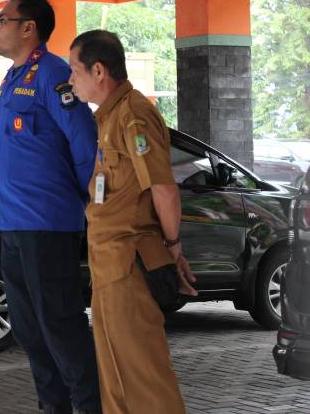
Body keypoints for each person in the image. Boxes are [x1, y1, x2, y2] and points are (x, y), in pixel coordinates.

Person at [67, 29, 196, 414]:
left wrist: (173, 247)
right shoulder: (108, 117)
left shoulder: (133, 114)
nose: (71, 80)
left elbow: (164, 189)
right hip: (108, 268)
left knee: (145, 378)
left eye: (75, 70)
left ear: (99, 71)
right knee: (116, 380)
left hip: (130, 266)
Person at [0, 0, 101, 414]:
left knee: (60, 324)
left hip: (48, 223)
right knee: (29, 330)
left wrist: (87, 203)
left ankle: (89, 406)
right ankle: (53, 406)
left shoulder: (54, 74)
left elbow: (83, 144)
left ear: (28, 28)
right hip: (14, 226)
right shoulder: (12, 78)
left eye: (2, 20)